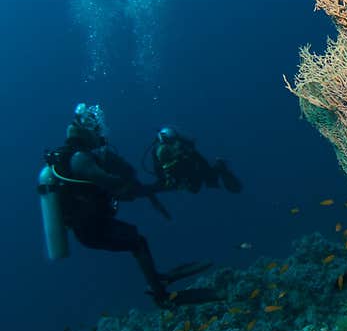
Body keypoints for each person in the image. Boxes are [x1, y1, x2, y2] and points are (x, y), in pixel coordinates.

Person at [37, 103, 217, 307]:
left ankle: (157, 279)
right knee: (137, 241)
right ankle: (161, 295)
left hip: (90, 225)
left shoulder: (73, 156)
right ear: (88, 132)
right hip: (91, 229)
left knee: (137, 239)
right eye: (97, 131)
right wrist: (123, 184)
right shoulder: (80, 158)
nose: (100, 136)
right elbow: (107, 181)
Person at [148, 126, 242, 194]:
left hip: (191, 172)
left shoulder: (181, 149)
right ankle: (220, 167)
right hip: (186, 175)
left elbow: (199, 162)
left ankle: (220, 166)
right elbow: (161, 171)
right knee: (197, 184)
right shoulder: (162, 151)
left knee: (202, 180)